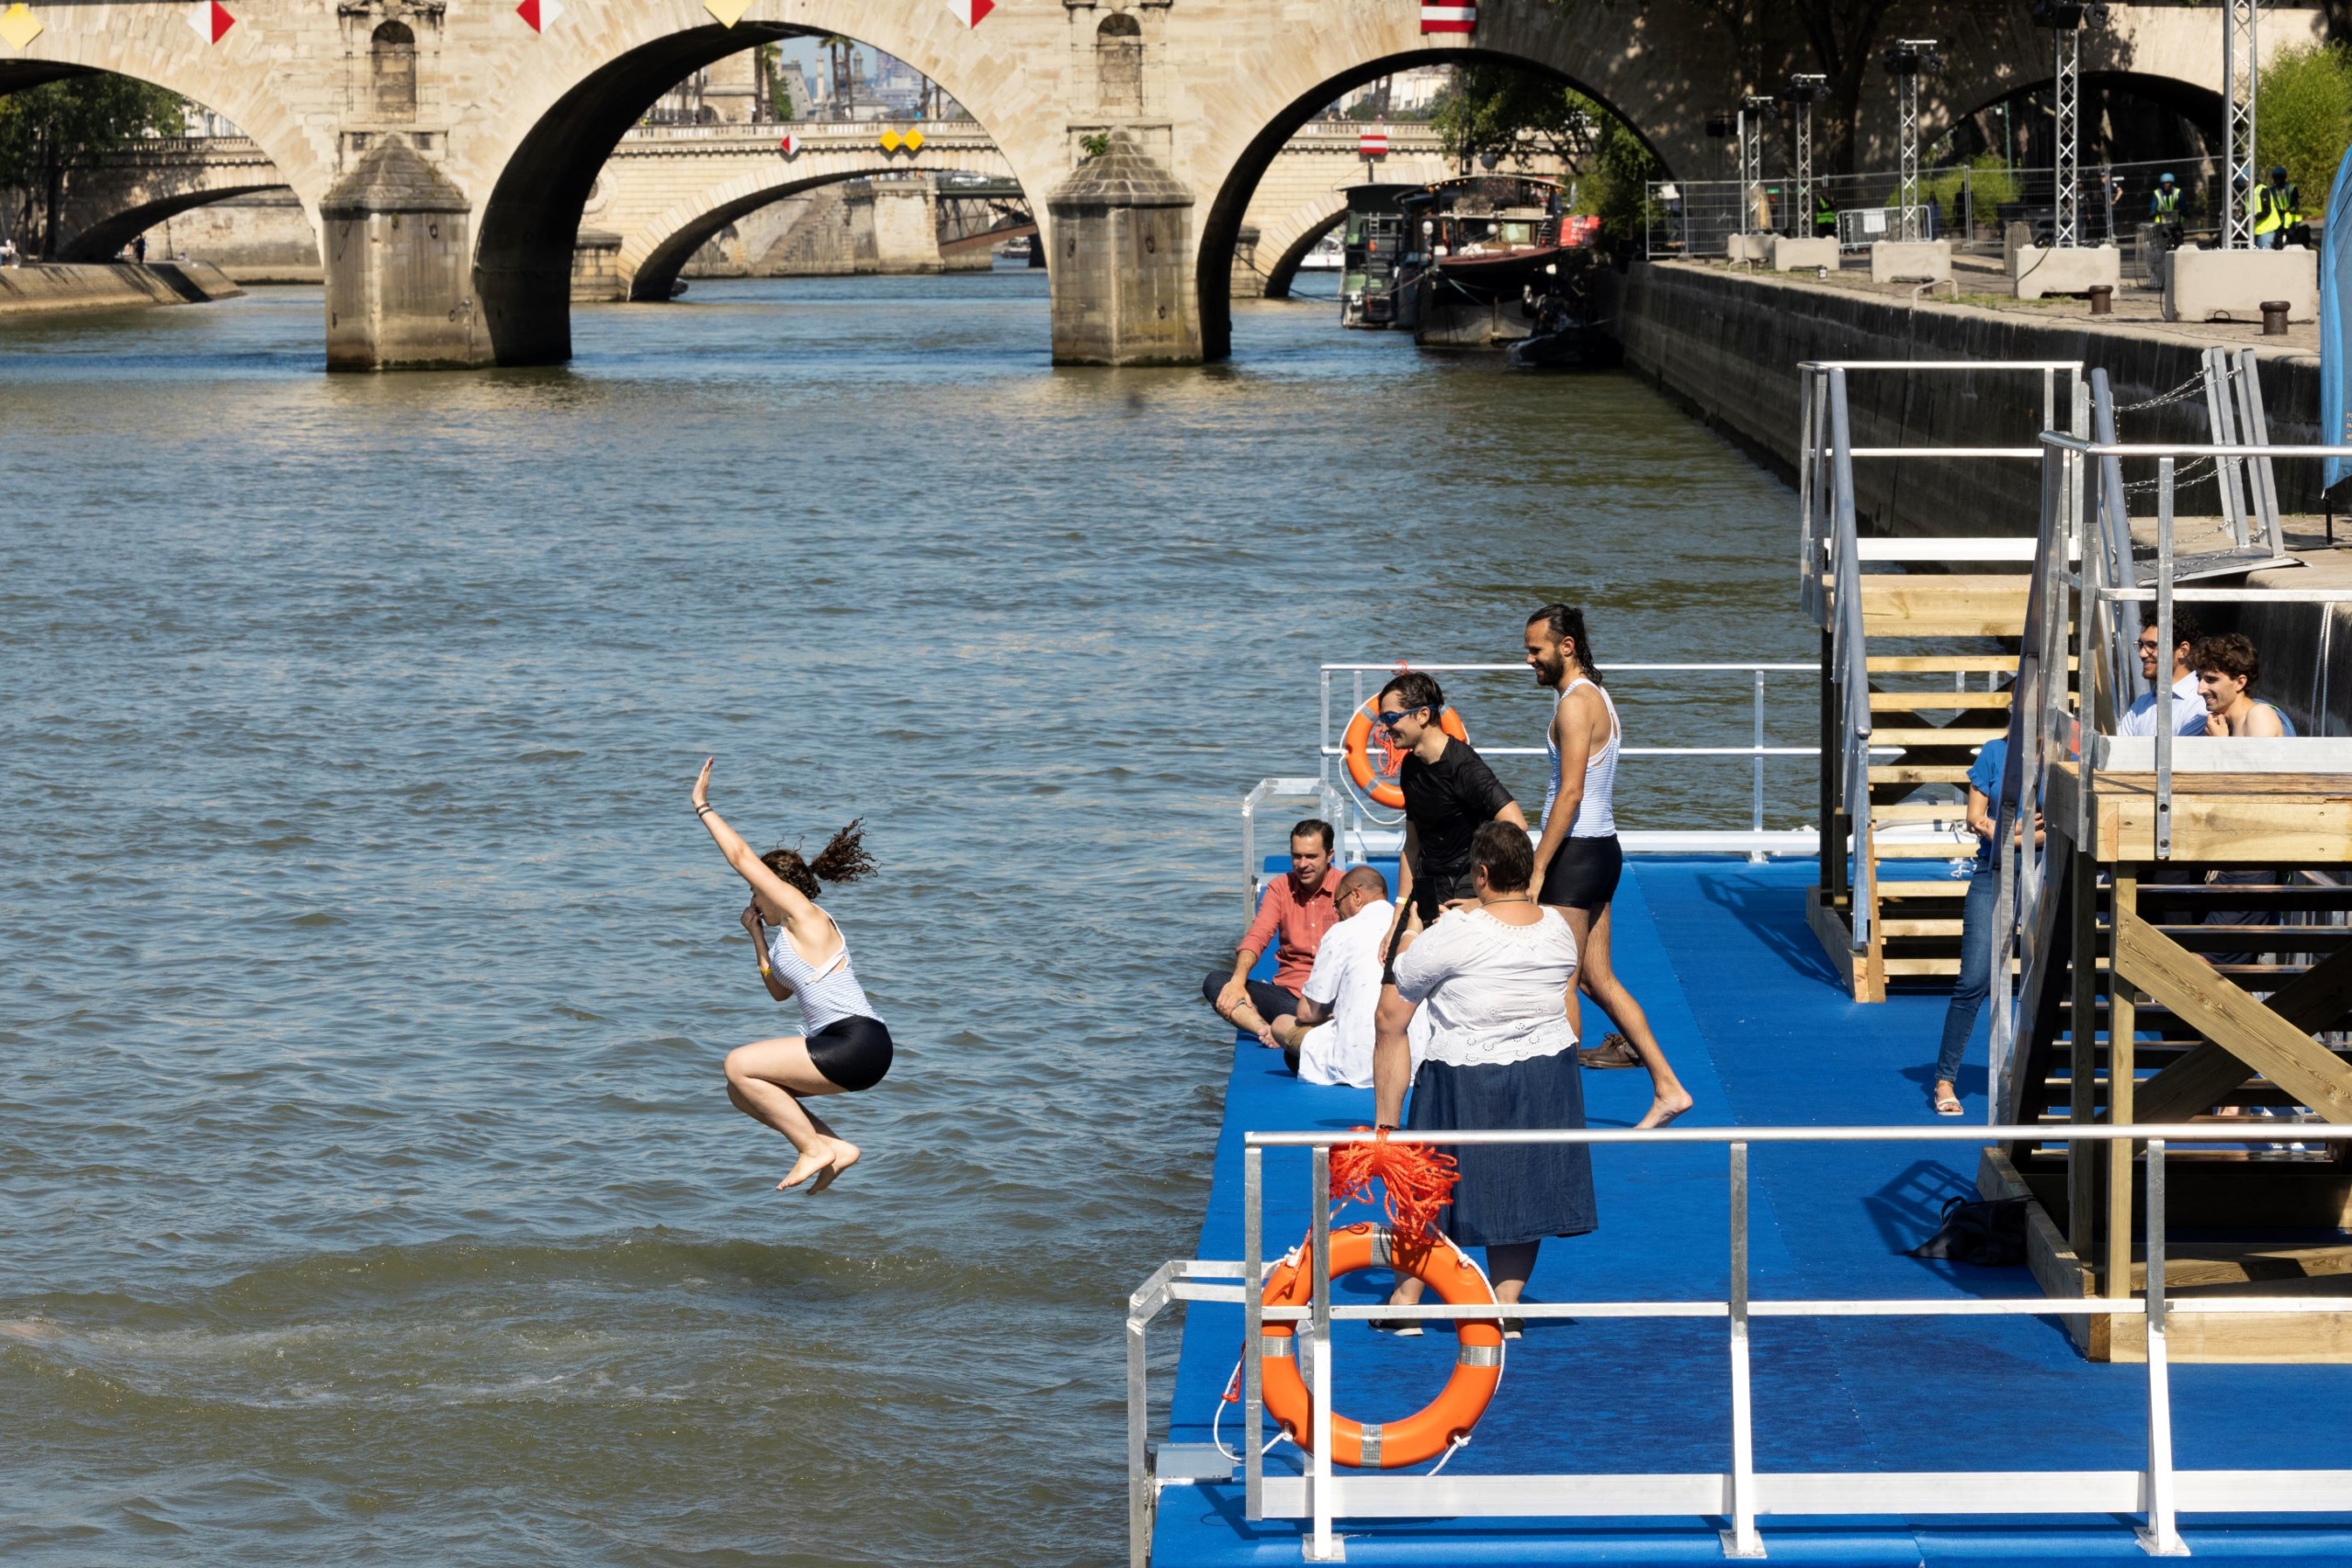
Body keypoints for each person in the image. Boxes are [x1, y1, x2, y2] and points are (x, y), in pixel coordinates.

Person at [1373, 821, 1590, 1338]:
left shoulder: (1456, 932)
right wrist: (1476, 910)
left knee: (1427, 1185)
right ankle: (1505, 1305)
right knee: (1525, 1186)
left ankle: (1406, 1301)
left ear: (1482, 874)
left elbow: (1400, 985)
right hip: (1546, 1075)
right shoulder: (1559, 929)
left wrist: (1414, 930)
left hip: (1464, 1074)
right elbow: (1513, 929)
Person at [1523, 604, 1692, 1129]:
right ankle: (1668, 1087)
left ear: (1566, 646)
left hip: (1575, 857)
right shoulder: (1598, 695)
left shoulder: (1575, 705)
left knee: (1560, 980)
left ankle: (1560, 1110)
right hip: (1601, 852)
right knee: (1597, 980)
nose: (1529, 660)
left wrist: (1537, 869)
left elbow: (1570, 794)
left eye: (1535, 650)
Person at [691, 758, 893, 1193]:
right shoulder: (787, 937)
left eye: (755, 891)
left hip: (857, 1041)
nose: (752, 900)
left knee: (737, 1064)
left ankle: (812, 1149)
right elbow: (779, 992)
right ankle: (833, 1147)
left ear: (774, 888)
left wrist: (702, 806)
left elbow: (740, 857)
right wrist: (758, 939)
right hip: (845, 1047)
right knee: (740, 1090)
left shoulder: (806, 915)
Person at [1203, 819, 1340, 1043]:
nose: (1302, 864)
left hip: (1332, 997)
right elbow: (1258, 935)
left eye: (1311, 856)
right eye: (1296, 856)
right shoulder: (1279, 888)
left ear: (1329, 855)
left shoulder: (1347, 888)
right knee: (1216, 982)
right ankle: (1268, 1030)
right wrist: (1238, 981)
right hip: (1289, 997)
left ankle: (1295, 1029)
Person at [1266, 864, 1402, 1088]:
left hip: (1358, 1061)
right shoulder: (1413, 927)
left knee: (1281, 1024)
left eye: (1338, 905)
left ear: (1356, 895)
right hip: (1409, 1059)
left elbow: (1306, 1012)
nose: (1338, 914)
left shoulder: (1342, 931)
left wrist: (1329, 1014)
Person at [1932, 735, 2010, 1116]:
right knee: (1973, 979)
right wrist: (2014, 832)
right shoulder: (1995, 751)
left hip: (2048, 873)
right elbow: (1974, 818)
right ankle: (1944, 1080)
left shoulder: (2070, 747)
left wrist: (2009, 832)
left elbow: (2063, 824)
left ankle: (2031, 1073)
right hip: (1992, 871)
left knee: (2047, 979)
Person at [2119, 608, 2207, 737]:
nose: (2142, 654)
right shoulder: (2141, 704)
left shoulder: (2202, 703)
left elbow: (2182, 751)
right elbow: (2119, 747)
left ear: (2183, 650)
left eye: (2152, 645)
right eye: (2141, 645)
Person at [2195, 633, 2291, 737]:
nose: (2200, 690)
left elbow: (2261, 748)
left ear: (2240, 683)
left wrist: (2220, 741)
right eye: (2199, 679)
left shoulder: (2259, 715)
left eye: (2211, 680)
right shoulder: (2225, 726)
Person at [2252, 165, 2300, 250]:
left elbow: (2295, 203)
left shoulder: (2291, 188)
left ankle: (2295, 250)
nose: (2277, 179)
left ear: (2284, 177)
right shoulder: (2271, 189)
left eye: (2280, 177)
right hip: (2278, 218)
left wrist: (2288, 210)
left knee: (2292, 236)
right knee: (2277, 239)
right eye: (2275, 177)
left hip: (2291, 217)